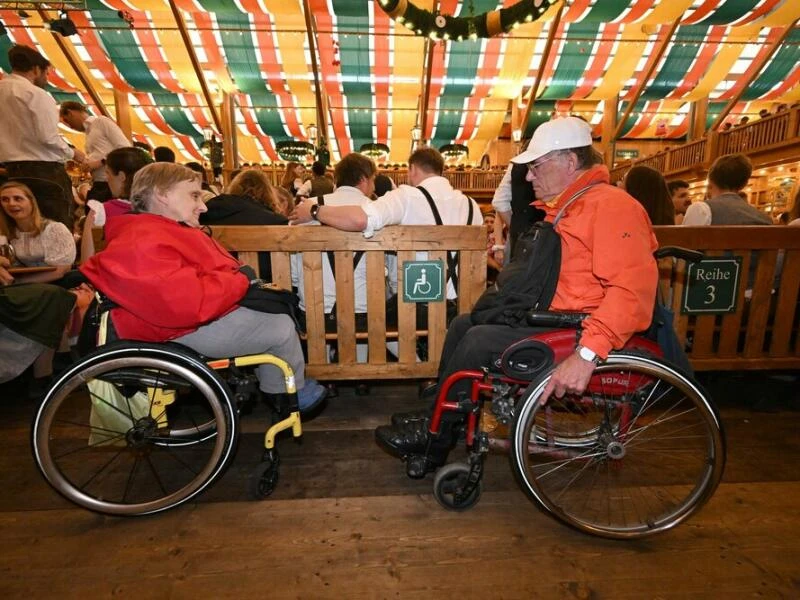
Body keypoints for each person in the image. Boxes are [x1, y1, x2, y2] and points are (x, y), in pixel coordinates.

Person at [373, 117, 658, 472]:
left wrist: (586, 355)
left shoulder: (612, 207)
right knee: (464, 323)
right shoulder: (576, 205)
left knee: (478, 340)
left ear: (570, 162)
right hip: (555, 315)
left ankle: (436, 439)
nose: (528, 177)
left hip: (580, 329)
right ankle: (442, 414)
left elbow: (632, 292)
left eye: (537, 167)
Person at [79, 163, 326, 413]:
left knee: (273, 314)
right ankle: (288, 395)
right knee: (281, 326)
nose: (204, 205)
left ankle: (282, 391)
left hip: (166, 321)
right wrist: (241, 279)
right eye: (194, 195)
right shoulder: (148, 238)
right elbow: (189, 304)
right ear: (162, 194)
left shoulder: (146, 231)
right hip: (173, 328)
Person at [290, 153, 376, 364]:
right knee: (369, 301)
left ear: (337, 179)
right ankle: (360, 372)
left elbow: (293, 272)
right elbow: (391, 275)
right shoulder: (376, 210)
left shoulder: (306, 207)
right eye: (373, 180)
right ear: (364, 179)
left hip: (314, 312)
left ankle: (324, 371)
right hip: (363, 314)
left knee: (315, 300)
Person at [0, 45, 85, 229]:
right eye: (46, 74)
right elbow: (48, 137)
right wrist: (73, 153)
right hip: (44, 171)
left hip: (12, 172)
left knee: (21, 230)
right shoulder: (36, 94)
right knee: (57, 229)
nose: (46, 79)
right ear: (36, 69)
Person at [201, 169, 288, 281]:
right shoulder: (276, 221)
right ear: (268, 192)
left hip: (214, 283)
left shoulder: (205, 213)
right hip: (264, 287)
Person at [80, 146, 153, 260]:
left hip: (109, 276)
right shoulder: (161, 209)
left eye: (108, 173)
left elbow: (87, 261)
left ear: (122, 176)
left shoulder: (100, 212)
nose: (106, 178)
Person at [0, 181, 76, 284]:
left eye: (18, 198)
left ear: (31, 201)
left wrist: (19, 283)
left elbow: (61, 271)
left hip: (58, 283)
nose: (11, 203)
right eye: (5, 199)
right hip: (23, 284)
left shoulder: (55, 229)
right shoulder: (8, 232)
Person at [59, 101, 131, 202]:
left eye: (66, 120)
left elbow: (125, 147)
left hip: (109, 182)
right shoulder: (89, 131)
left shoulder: (101, 121)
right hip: (99, 182)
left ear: (71, 113)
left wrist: (100, 162)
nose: (69, 126)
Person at [682, 154, 772, 226]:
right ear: (743, 185)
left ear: (710, 180)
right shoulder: (765, 220)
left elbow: (683, 247)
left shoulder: (701, 209)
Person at [491, 162, 545, 263]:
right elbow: (499, 203)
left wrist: (517, 227)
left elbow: (499, 202)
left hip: (519, 239)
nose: (529, 176)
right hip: (546, 238)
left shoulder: (515, 164)